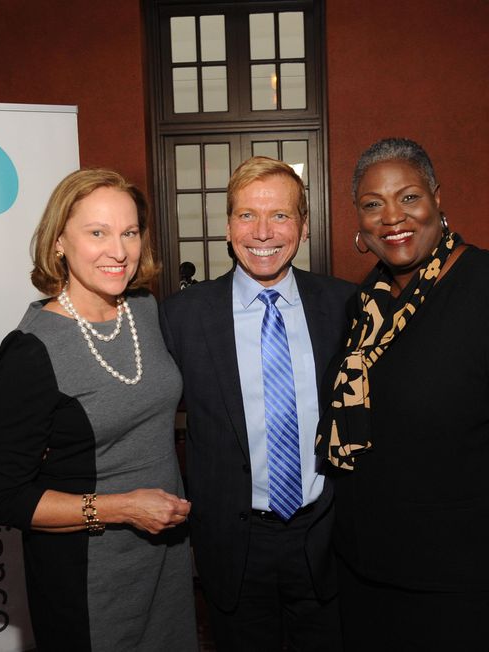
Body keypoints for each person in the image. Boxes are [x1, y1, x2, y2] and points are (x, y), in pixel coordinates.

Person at [317, 138, 489, 651]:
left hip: (463, 585)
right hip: (368, 576)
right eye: (373, 204)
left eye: (408, 197)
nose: (392, 217)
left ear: (437, 200)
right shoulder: (366, 305)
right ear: (359, 220)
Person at [0, 169, 197, 651]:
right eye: (97, 232)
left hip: (163, 556)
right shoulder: (32, 350)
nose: (118, 251)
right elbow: (6, 498)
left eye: (129, 232)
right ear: (59, 241)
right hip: (88, 574)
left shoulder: (143, 309)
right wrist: (124, 508)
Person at [159, 157, 355, 650]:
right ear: (228, 228)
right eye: (247, 215)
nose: (263, 232)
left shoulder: (346, 307)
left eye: (280, 215)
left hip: (327, 536)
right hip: (234, 545)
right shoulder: (181, 317)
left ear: (304, 227)